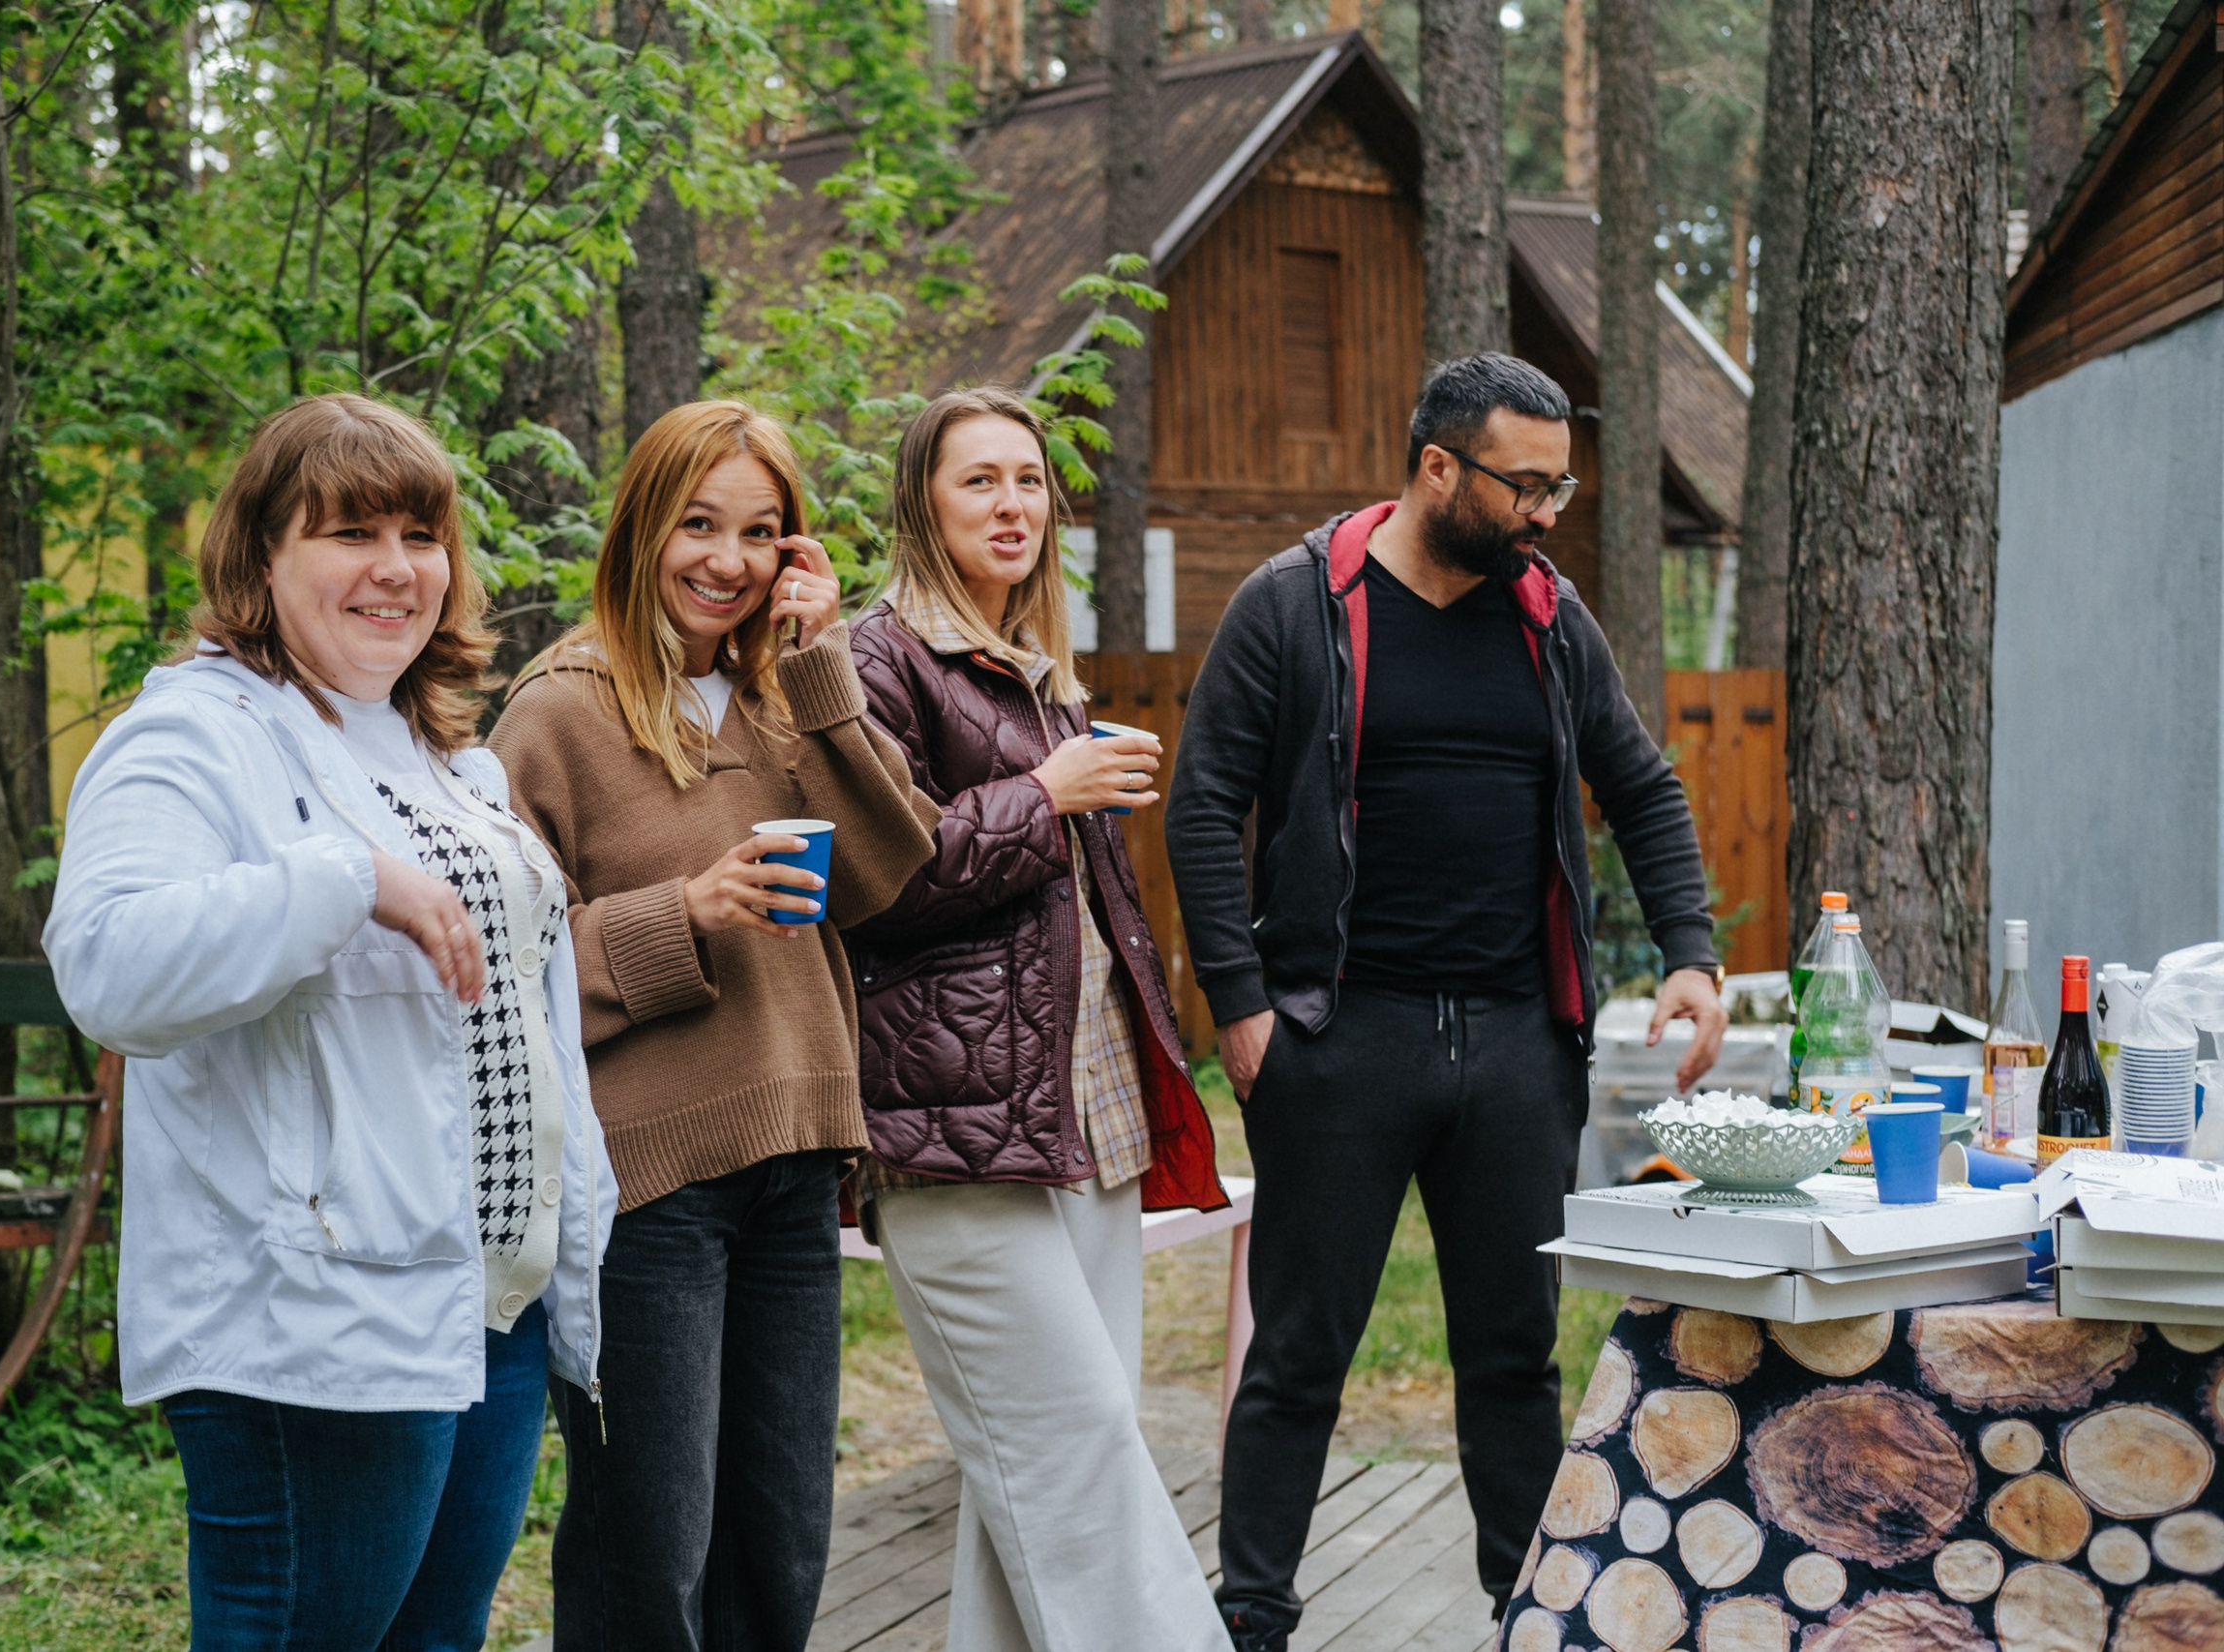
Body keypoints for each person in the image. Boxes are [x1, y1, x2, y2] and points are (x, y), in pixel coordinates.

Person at [1168, 354, 1730, 1648]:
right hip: (1341, 1036)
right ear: (1439, 469)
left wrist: (1691, 952)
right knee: (1300, 1355)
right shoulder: (1297, 604)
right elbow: (1205, 806)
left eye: (1561, 483)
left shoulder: (1546, 614)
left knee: (1512, 1361)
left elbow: (1640, 789)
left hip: (1519, 1044)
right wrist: (1245, 1005)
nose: (1548, 511)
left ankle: (1522, 1611)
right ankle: (1252, 1614)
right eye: (1526, 485)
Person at [45, 392, 612, 1651]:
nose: (398, 569)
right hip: (312, 1315)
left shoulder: (446, 758)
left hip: (487, 1301)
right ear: (259, 556)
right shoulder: (191, 735)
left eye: (421, 535)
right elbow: (108, 968)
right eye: (352, 533)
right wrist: (343, 880)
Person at [487, 400, 942, 1652]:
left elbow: (889, 868)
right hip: (645, 1191)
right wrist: (682, 915)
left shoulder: (781, 701)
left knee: (779, 1540)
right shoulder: (555, 715)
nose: (726, 561)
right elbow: (503, 982)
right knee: (651, 1546)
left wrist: (822, 660)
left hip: (795, 1169)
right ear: (642, 525)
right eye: (698, 524)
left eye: (759, 533)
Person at [845, 386, 1233, 1652]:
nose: (1013, 505)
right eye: (980, 482)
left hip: (1086, 1121)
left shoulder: (1038, 676)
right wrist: (1046, 792)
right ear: (923, 503)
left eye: (1028, 482)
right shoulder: (877, 660)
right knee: (1077, 1460)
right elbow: (879, 882)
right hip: (954, 1133)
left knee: (1041, 1476)